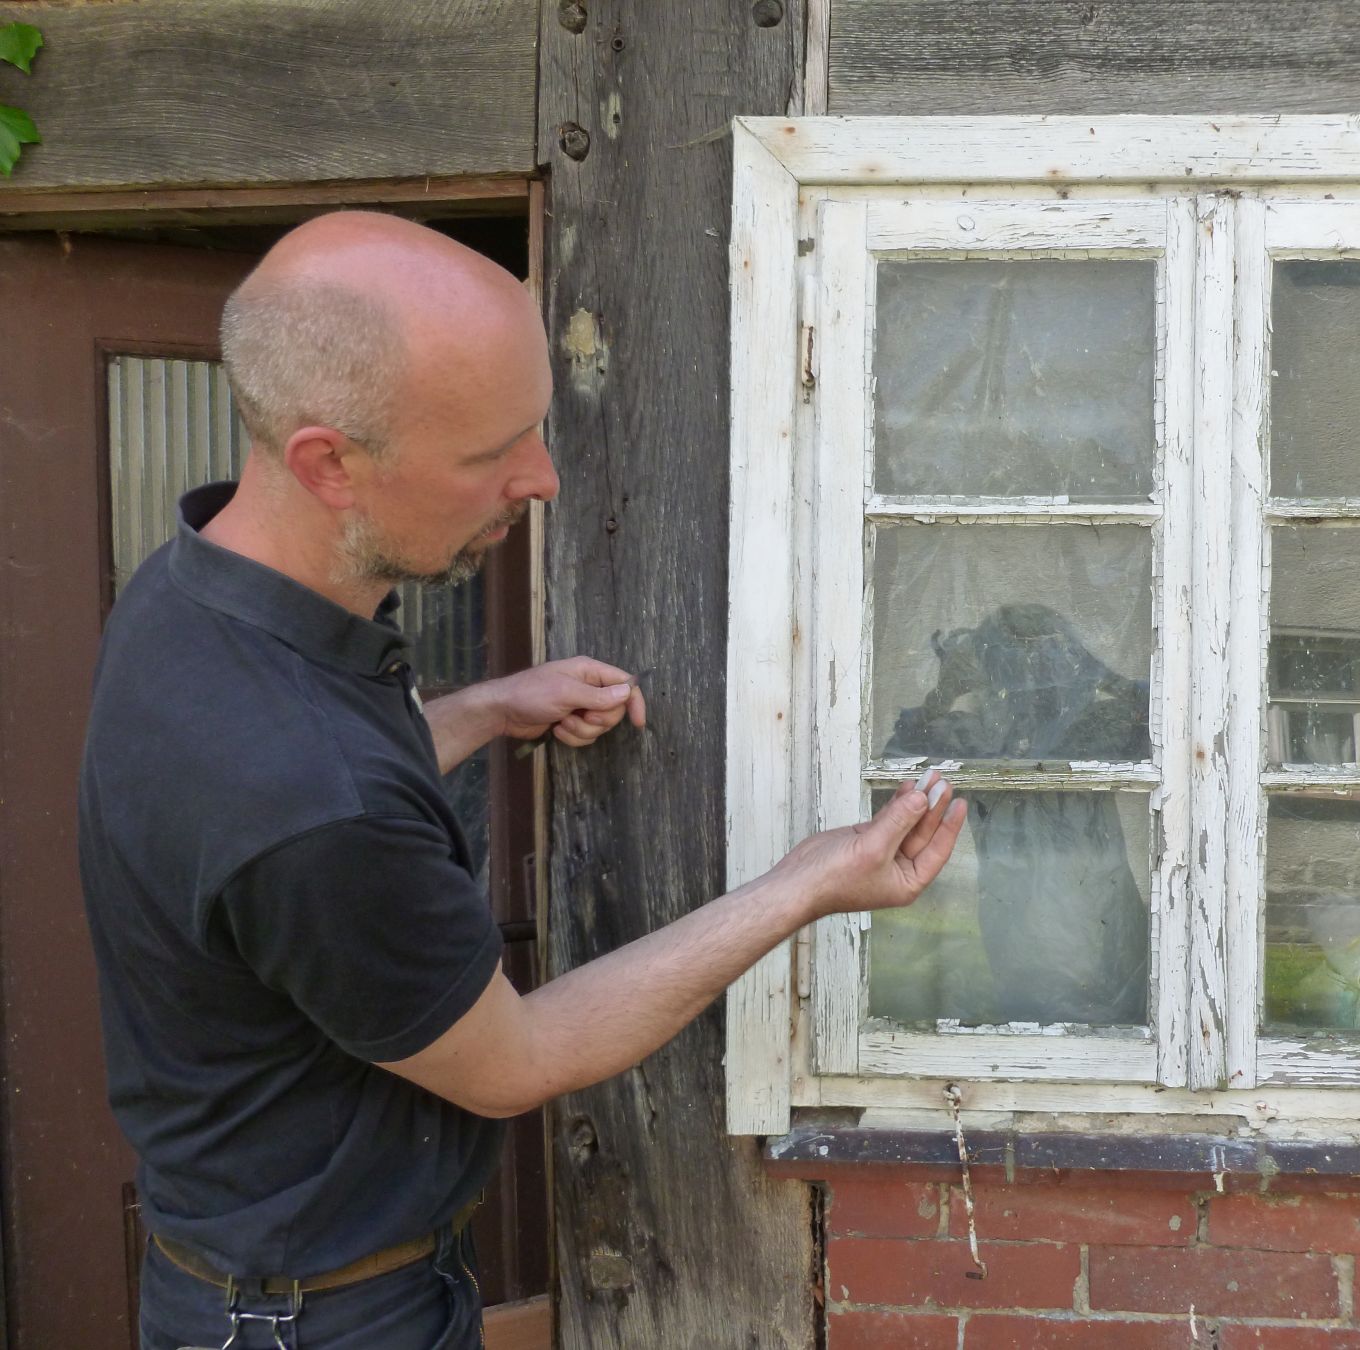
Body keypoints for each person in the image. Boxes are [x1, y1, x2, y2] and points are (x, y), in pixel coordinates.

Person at [78, 211, 966, 1350]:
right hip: (318, 1325)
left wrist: (490, 708)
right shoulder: (309, 798)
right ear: (327, 464)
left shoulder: (189, 591)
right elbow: (517, 1059)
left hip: (264, 1283)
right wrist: (802, 887)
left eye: (535, 427)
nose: (540, 479)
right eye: (488, 453)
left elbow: (296, 802)